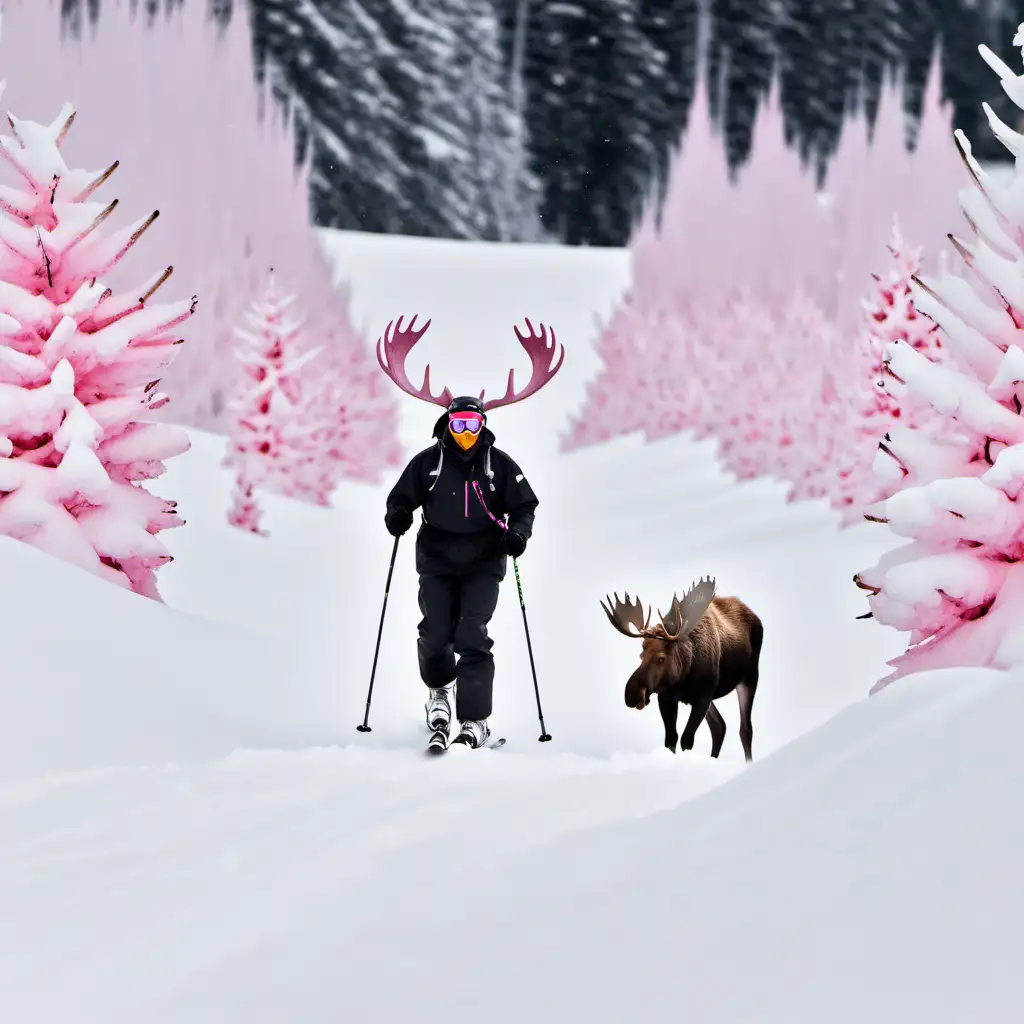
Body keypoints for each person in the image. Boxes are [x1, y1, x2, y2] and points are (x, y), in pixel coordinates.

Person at [385, 394, 538, 748]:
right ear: (448, 425)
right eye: (459, 424)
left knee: (473, 633)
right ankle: (439, 692)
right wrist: (398, 516)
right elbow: (401, 497)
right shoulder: (429, 462)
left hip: (485, 559)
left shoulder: (498, 465)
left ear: (483, 425)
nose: (466, 432)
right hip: (437, 557)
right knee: (436, 631)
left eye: (473, 424)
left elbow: (524, 504)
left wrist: (518, 533)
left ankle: (474, 720)